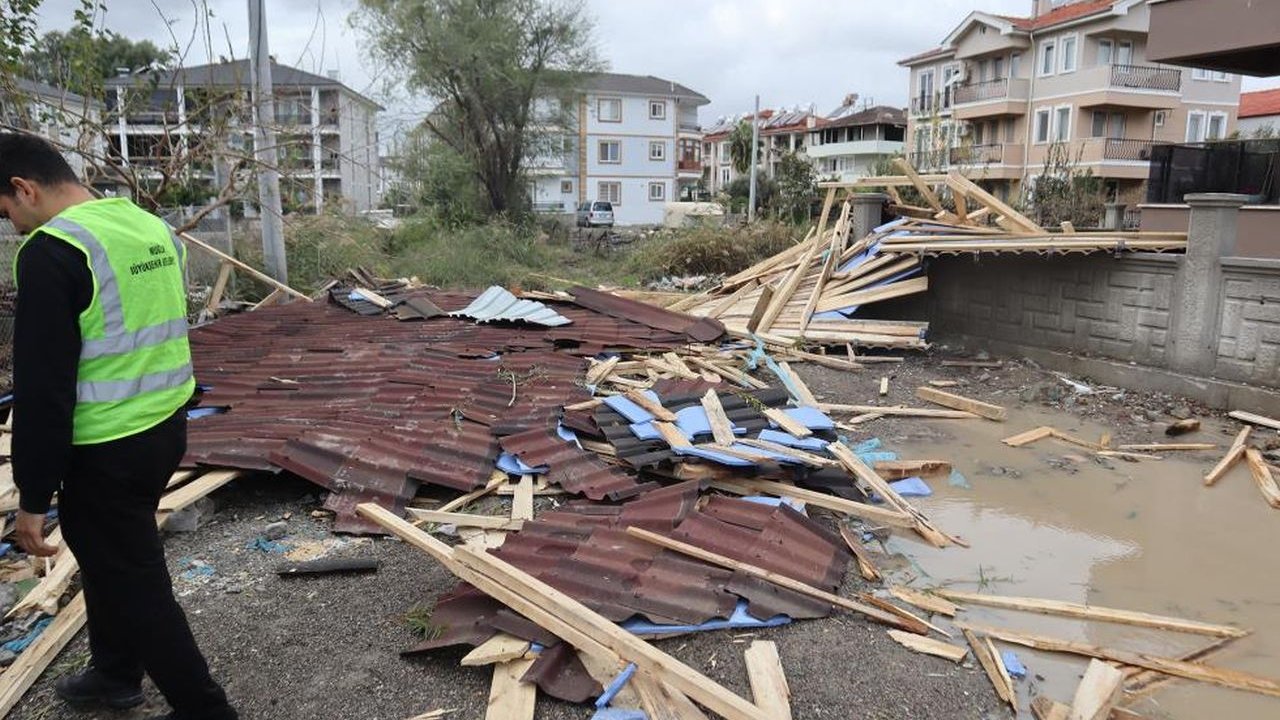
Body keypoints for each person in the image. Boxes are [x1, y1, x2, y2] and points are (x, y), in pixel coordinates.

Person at [0, 133, 236, 720]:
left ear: (24, 189)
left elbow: (43, 389)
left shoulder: (52, 251)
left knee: (135, 582)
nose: (10, 228)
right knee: (111, 558)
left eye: (5, 212)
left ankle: (206, 710)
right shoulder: (144, 224)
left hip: (104, 447)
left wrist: (31, 497)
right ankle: (115, 675)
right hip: (163, 427)